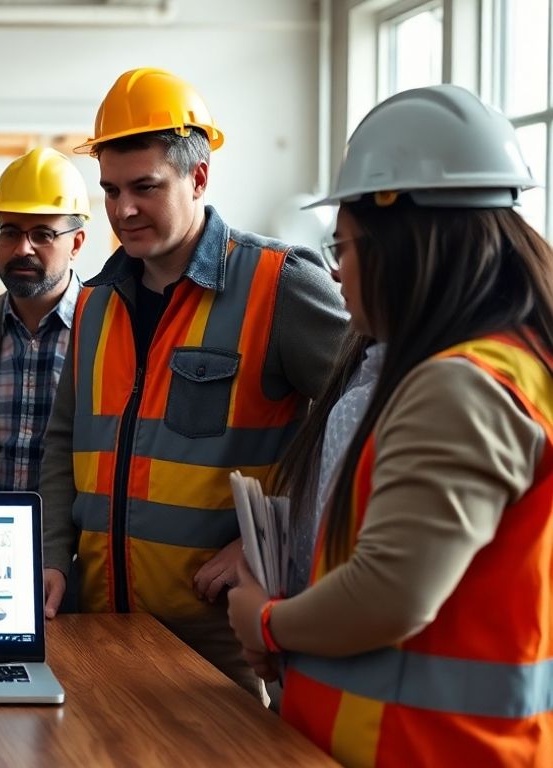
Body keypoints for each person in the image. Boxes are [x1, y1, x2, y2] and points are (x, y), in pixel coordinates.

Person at [228, 84, 553, 766]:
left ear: (400, 246)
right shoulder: (514, 363)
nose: (338, 274)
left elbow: (390, 591)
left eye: (343, 249)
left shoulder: (459, 388)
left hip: (421, 750)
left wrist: (268, 622)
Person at [37, 67, 348, 697]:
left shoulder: (279, 284)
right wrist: (50, 553)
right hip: (98, 623)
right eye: (111, 190)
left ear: (199, 176)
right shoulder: (94, 303)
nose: (122, 210)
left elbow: (361, 425)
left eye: (145, 187)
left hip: (220, 636)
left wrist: (269, 534)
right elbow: (64, 440)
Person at [0, 147, 89, 492]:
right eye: (11, 231)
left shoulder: (107, 330)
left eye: (43, 234)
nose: (22, 249)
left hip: (75, 543)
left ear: (76, 243)